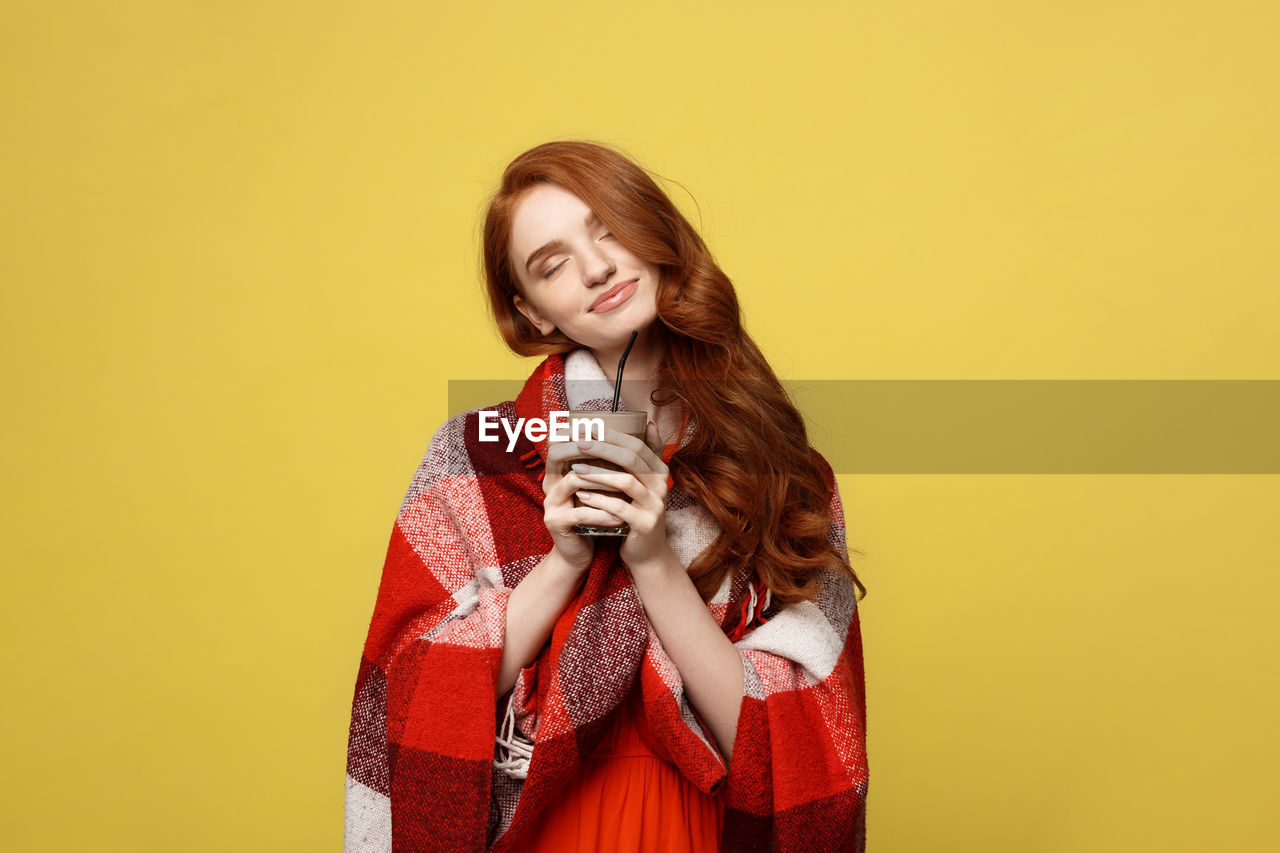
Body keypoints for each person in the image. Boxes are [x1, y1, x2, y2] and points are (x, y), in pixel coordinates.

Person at [344, 140, 870, 853]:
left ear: (653, 231)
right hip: (541, 824)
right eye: (552, 264)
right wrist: (564, 560)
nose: (596, 267)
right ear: (532, 312)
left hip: (700, 827)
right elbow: (412, 700)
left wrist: (651, 559)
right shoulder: (476, 456)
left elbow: (801, 744)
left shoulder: (782, 470)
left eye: (608, 227)